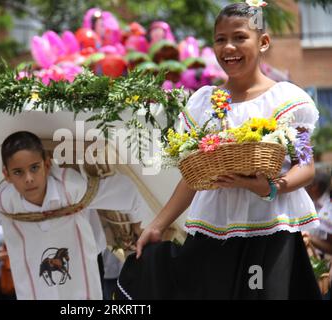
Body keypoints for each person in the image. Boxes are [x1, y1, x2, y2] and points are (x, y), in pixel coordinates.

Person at [116, 2, 322, 300]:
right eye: (220, 39)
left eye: (239, 37)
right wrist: (157, 225)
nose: (229, 47)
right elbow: (193, 175)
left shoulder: (287, 99)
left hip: (270, 231)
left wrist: (271, 188)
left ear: (263, 42)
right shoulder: (203, 103)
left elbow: (306, 165)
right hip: (214, 231)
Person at [0, 131, 151, 300]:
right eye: (18, 172)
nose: (29, 178)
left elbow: (126, 192)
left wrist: (138, 225)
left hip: (86, 269)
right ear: (6, 175)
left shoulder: (73, 191)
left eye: (35, 168)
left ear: (47, 164)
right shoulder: (5, 206)